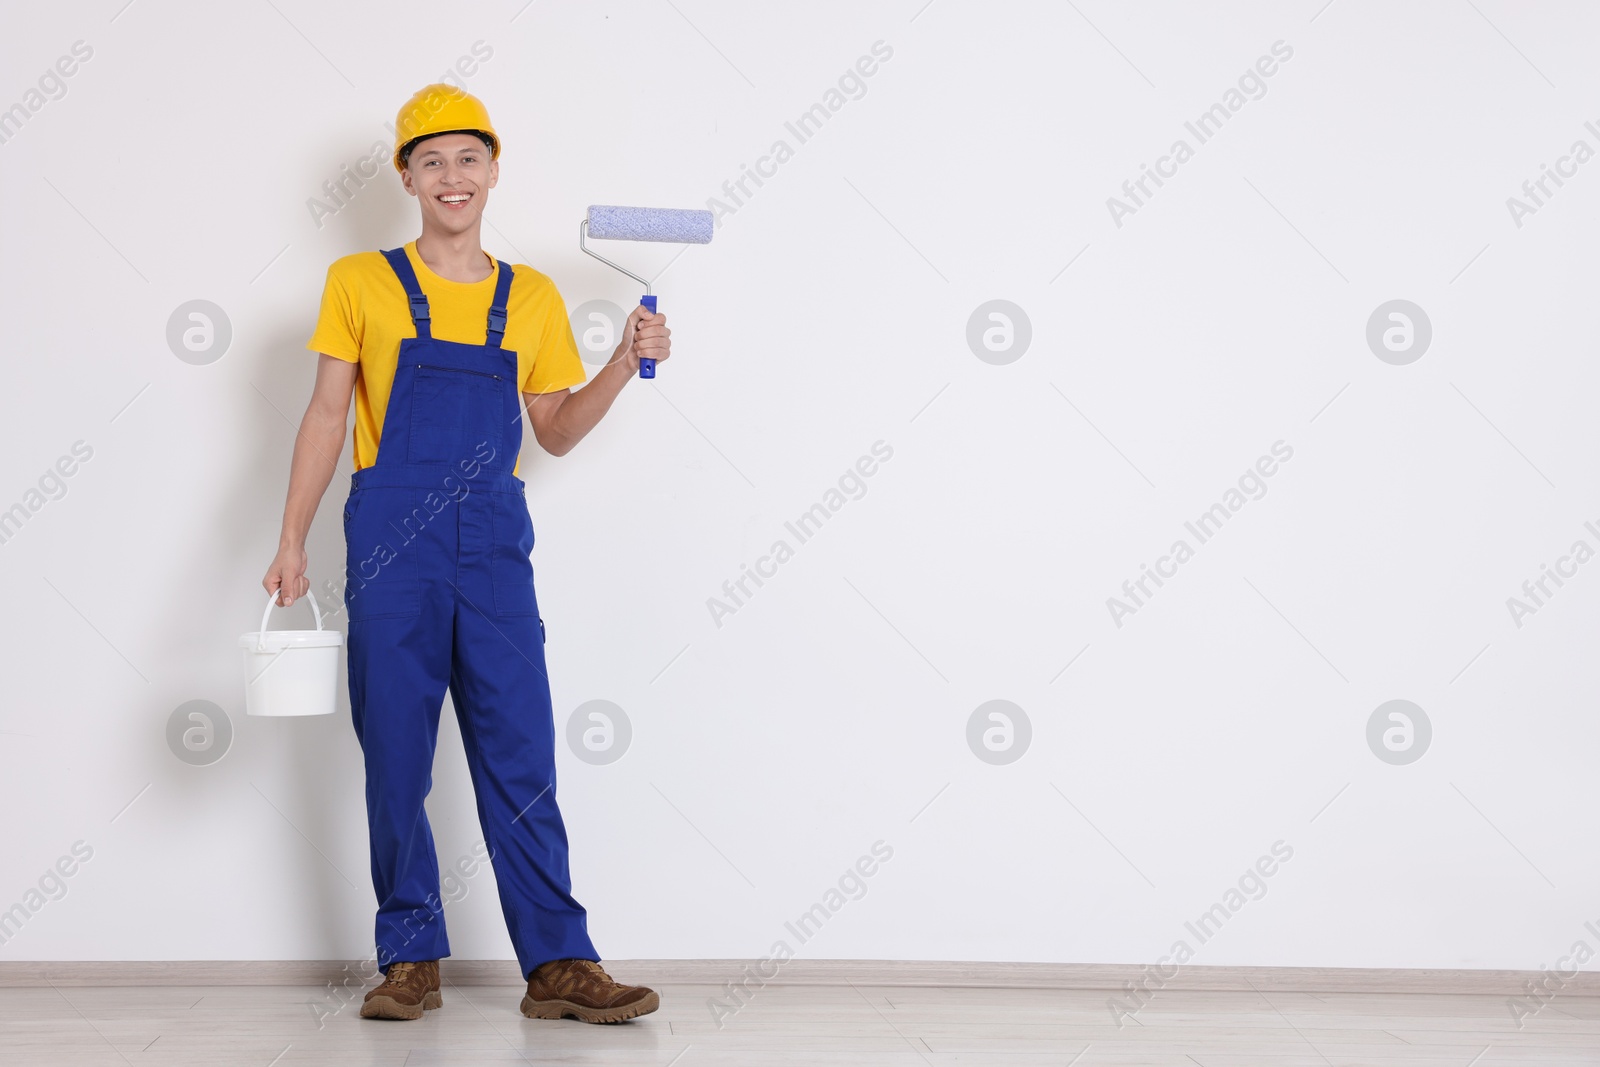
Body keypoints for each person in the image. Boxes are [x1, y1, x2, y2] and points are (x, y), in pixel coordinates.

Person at [261, 83, 668, 1024]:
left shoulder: (532, 295)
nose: (453, 177)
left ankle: (560, 962)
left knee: (521, 750)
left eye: (469, 158)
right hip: (391, 546)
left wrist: (621, 361)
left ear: (493, 173)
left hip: (491, 551)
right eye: (432, 159)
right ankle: (411, 958)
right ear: (407, 175)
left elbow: (555, 433)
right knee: (396, 753)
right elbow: (328, 414)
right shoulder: (359, 282)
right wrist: (289, 539)